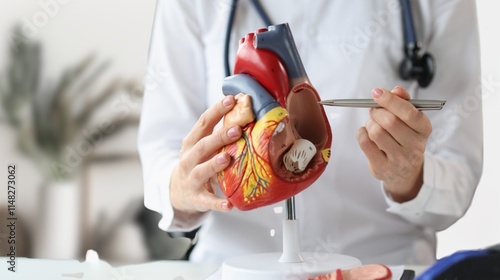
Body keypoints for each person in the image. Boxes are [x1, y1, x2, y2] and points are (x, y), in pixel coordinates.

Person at [137, 0, 482, 265]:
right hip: (232, 262)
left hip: (380, 263)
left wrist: (409, 177)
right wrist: (182, 186)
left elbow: (457, 172)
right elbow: (161, 154)